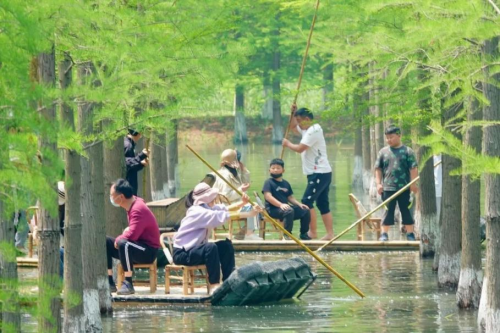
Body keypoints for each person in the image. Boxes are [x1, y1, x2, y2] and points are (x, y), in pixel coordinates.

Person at [173, 182, 261, 289]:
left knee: (225, 245)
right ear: (206, 199)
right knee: (210, 247)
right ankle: (214, 285)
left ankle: (229, 281)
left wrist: (245, 205)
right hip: (183, 254)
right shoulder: (197, 212)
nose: (215, 200)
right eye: (213, 198)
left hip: (196, 251)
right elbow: (220, 215)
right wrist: (248, 214)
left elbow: (225, 209)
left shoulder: (206, 207)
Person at [282, 105, 334, 240]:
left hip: (319, 173)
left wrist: (287, 144)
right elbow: (293, 128)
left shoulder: (314, 130)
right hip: (318, 173)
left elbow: (300, 148)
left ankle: (313, 232)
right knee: (322, 203)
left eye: (300, 121)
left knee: (307, 201)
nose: (298, 124)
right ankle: (329, 234)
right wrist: (293, 113)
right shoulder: (307, 130)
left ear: (306, 119)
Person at [106, 179, 160, 295]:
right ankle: (109, 281)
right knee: (105, 241)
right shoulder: (132, 205)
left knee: (123, 244)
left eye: (112, 195)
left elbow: (133, 235)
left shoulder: (137, 209)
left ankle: (128, 282)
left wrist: (120, 238)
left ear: (121, 197)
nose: (111, 198)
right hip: (137, 246)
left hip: (148, 251)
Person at [375, 125, 418, 241]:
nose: (389, 140)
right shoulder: (383, 152)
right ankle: (384, 234)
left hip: (405, 188)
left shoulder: (408, 151)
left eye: (391, 137)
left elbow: (413, 169)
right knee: (387, 211)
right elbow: (378, 169)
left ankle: (410, 233)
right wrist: (378, 184)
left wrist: (413, 184)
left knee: (406, 210)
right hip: (388, 188)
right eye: (387, 138)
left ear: (399, 136)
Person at [212, 149, 262, 240]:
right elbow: (226, 196)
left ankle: (243, 233)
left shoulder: (233, 171)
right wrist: (240, 189)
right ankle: (249, 234)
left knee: (256, 206)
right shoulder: (225, 175)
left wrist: (243, 169)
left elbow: (245, 182)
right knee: (254, 207)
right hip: (228, 207)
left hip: (237, 204)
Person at [262, 158, 311, 240]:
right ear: (269, 170)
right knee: (289, 210)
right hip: (273, 209)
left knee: (305, 210)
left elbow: (290, 197)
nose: (275, 170)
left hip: (285, 209)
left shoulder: (286, 183)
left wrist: (299, 204)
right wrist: (280, 204)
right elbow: (268, 197)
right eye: (273, 168)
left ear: (283, 170)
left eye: (278, 168)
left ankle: (303, 234)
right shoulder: (268, 182)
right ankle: (287, 234)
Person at [124, 128, 149, 196]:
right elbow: (126, 164)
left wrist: (141, 164)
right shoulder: (128, 146)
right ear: (139, 134)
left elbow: (131, 167)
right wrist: (141, 156)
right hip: (127, 186)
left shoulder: (129, 144)